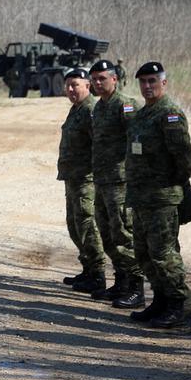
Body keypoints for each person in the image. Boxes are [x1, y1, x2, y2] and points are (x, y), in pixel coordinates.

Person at [125, 62, 191, 327]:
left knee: (164, 253)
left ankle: (175, 304)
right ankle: (160, 300)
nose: (147, 86)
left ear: (164, 83)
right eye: (143, 82)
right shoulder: (142, 115)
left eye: (152, 81)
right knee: (143, 253)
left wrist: (173, 186)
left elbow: (185, 159)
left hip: (162, 198)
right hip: (141, 198)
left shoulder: (170, 114)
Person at [88, 59, 143, 307]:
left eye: (103, 78)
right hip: (101, 180)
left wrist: (135, 171)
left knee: (123, 233)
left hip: (121, 182)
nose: (98, 83)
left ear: (114, 79)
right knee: (107, 233)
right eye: (95, 79)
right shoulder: (99, 107)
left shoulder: (126, 105)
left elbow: (137, 139)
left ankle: (136, 288)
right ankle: (120, 283)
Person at [57, 68, 107, 293]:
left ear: (88, 85)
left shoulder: (91, 110)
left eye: (75, 84)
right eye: (67, 85)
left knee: (87, 225)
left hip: (87, 179)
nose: (70, 89)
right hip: (73, 178)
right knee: (75, 225)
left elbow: (99, 145)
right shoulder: (76, 109)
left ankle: (97, 274)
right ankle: (88, 269)